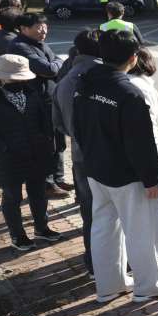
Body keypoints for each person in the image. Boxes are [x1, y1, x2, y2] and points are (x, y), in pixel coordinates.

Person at [73, 30, 158, 302]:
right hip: (127, 175)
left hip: (96, 169)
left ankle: (109, 286)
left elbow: (77, 128)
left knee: (103, 226)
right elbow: (141, 142)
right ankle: (149, 285)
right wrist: (150, 179)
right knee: (141, 228)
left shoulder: (86, 83)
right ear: (134, 58)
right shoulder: (129, 93)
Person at [0, 54, 58, 252]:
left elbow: (43, 116)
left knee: (39, 193)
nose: (21, 80)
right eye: (16, 77)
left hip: (36, 151)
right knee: (12, 196)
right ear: (1, 76)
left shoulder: (30, 89)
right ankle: (18, 235)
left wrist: (46, 138)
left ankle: (42, 228)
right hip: (7, 156)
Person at [52, 29, 102, 271]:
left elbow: (58, 123)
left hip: (80, 155)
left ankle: (93, 262)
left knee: (90, 211)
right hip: (108, 157)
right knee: (116, 212)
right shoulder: (104, 77)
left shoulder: (64, 82)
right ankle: (118, 264)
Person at [8, 13, 70, 195]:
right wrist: (56, 63)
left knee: (58, 141)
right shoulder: (19, 46)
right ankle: (47, 183)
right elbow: (49, 69)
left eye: (45, 26)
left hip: (51, 98)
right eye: (38, 26)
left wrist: (55, 64)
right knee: (45, 143)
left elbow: (56, 67)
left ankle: (58, 178)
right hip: (36, 102)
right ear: (24, 28)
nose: (43, 30)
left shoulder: (40, 43)